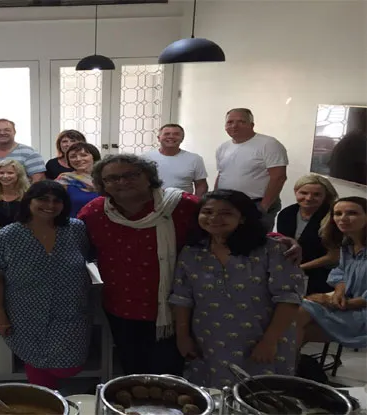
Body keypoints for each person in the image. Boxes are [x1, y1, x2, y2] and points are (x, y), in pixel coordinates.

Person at [78, 154, 302, 376]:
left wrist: (278, 238)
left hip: (179, 310)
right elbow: (72, 243)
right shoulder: (94, 212)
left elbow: (222, 221)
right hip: (122, 307)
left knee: (173, 373)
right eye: (112, 178)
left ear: (149, 177)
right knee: (133, 369)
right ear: (102, 184)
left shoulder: (181, 205)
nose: (122, 182)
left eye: (131, 175)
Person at [170, 190, 304, 388]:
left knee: (263, 396)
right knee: (214, 394)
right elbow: (182, 298)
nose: (214, 218)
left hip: (263, 339)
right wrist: (183, 337)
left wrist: (269, 341)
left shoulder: (272, 250)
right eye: (207, 212)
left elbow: (289, 299)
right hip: (209, 340)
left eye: (226, 213)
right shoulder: (192, 252)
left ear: (242, 218)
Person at [0, 181, 91, 389]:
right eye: (43, 199)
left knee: (68, 367)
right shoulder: (7, 236)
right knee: (36, 367)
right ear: (29, 201)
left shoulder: (76, 229)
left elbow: (87, 257)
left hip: (71, 313)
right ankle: (45, 403)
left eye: (56, 200)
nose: (50, 205)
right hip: (26, 315)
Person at [296, 196, 367, 349]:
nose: (343, 218)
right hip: (348, 305)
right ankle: (284, 368)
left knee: (294, 323)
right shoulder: (347, 245)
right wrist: (339, 290)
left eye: (352, 213)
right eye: (338, 213)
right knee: (293, 319)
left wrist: (334, 302)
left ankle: (278, 369)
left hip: (361, 312)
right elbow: (340, 271)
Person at [215, 108, 288, 231]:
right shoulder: (223, 147)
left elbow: (279, 177)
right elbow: (221, 174)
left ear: (251, 125)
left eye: (241, 122)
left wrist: (264, 207)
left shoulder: (269, 144)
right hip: (228, 204)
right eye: (230, 122)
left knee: (255, 244)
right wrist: (215, 199)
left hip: (256, 204)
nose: (234, 126)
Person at [277, 174, 340, 294]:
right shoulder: (286, 213)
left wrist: (298, 269)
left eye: (316, 194)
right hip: (292, 270)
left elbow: (333, 257)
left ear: (325, 196)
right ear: (296, 192)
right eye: (304, 193)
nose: (309, 198)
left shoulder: (334, 218)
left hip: (322, 275)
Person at [143, 123, 208, 196]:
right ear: (159, 138)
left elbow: (201, 185)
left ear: (182, 138)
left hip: (183, 203)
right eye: (167, 134)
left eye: (176, 134)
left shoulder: (195, 159)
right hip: (151, 202)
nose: (171, 137)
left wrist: (197, 204)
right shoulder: (145, 158)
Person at [0, 119, 46, 183]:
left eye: (7, 130)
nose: (2, 133)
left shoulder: (29, 153)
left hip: (23, 194)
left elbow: (38, 181)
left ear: (14, 132)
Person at [0, 160, 31, 233]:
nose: (5, 176)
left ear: (19, 175)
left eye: (10, 173)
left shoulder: (29, 197)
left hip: (24, 237)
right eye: (1, 173)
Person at [55, 142, 101, 217]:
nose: (78, 159)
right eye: (73, 156)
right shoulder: (64, 180)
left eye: (84, 155)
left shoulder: (106, 179)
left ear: (94, 157)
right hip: (75, 225)